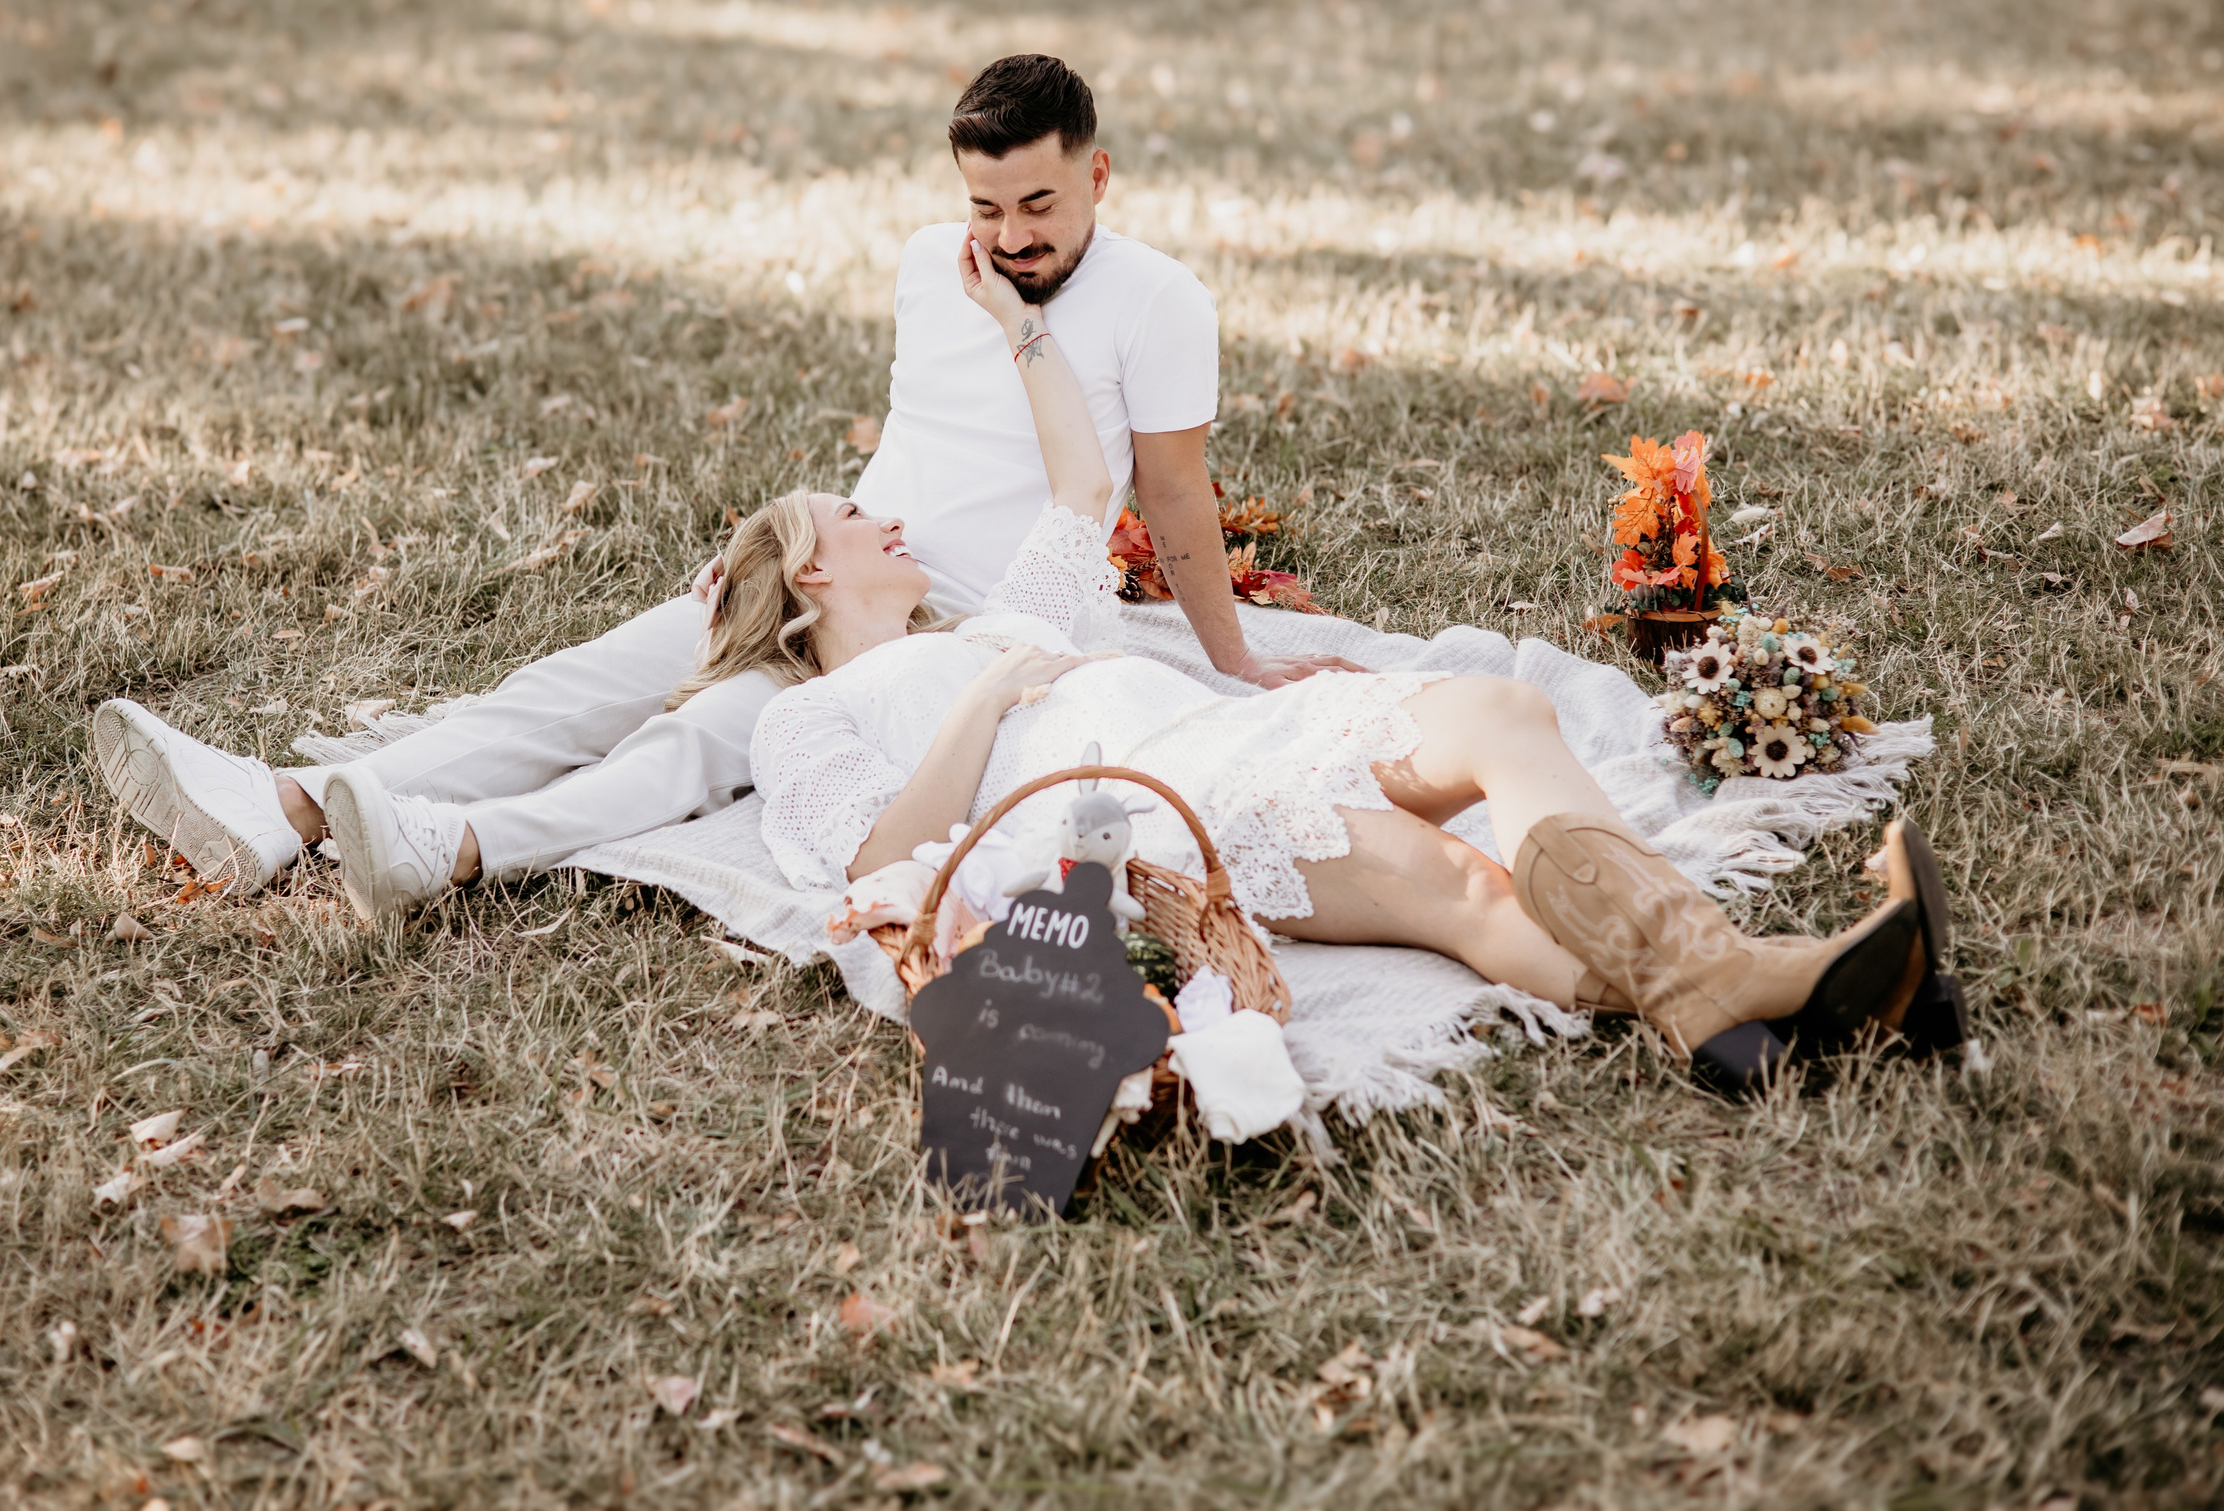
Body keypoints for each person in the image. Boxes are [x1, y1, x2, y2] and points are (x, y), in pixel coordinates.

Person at [93, 55, 1356, 921]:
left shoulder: (1158, 301)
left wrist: (1232, 659)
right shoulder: (935, 263)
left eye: (1040, 201)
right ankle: (287, 808)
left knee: (708, 729)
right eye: (987, 204)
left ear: (1099, 174)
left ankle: (444, 845)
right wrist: (784, 543)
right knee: (591, 676)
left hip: (958, 623)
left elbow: (1175, 501)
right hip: (846, 558)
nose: (1013, 234)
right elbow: (918, 444)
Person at [701, 223, 1954, 1093]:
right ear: (812, 568)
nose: (887, 518)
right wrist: (983, 698)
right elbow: (881, 861)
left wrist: (1013, 319)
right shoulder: (804, 721)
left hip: (1243, 736)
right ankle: (1758, 988)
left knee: (1502, 709)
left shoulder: (1003, 616)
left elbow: (1087, 482)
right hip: (1166, 808)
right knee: (1462, 892)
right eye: (855, 516)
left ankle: (1722, 1002)